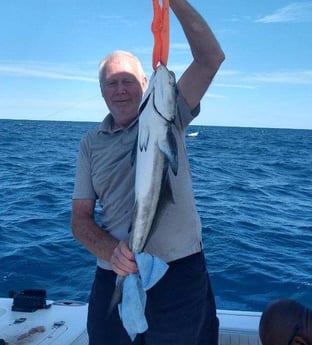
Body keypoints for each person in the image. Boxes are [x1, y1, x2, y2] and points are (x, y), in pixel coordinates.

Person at [71, 0, 225, 344]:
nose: (121, 89)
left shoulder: (170, 115)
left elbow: (210, 59)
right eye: (112, 83)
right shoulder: (90, 143)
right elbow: (80, 220)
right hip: (114, 271)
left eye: (128, 80)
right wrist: (111, 251)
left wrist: (175, 3)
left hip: (179, 274)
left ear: (147, 82)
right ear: (101, 92)